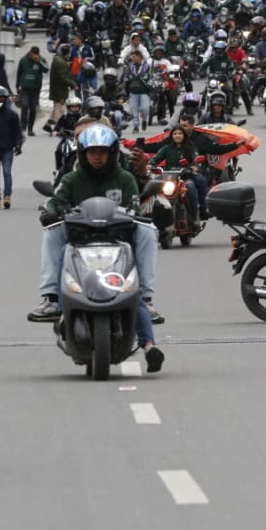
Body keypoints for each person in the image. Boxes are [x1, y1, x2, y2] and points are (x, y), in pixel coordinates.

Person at [28, 124, 165, 370]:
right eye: (92, 152)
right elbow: (55, 201)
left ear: (112, 153)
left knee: (147, 230)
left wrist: (135, 215)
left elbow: (134, 207)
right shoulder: (71, 179)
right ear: (83, 154)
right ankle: (51, 297)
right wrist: (50, 212)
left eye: (102, 152)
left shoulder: (125, 178)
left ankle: (146, 295)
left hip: (118, 239)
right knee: (52, 230)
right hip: (79, 240)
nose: (97, 157)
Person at [16, 46, 48, 136]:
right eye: (32, 55)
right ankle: (23, 127)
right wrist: (17, 85)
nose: (34, 57)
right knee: (24, 106)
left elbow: (46, 69)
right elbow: (19, 73)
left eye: (36, 56)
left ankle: (30, 129)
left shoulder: (41, 60)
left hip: (35, 89)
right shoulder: (23, 60)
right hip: (25, 89)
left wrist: (39, 62)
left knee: (33, 108)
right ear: (30, 53)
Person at [44, 45, 74, 132]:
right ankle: (58, 128)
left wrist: (66, 64)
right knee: (60, 109)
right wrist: (73, 84)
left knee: (57, 107)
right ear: (67, 53)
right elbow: (63, 77)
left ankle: (48, 125)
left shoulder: (57, 59)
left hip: (56, 88)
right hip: (60, 90)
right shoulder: (62, 63)